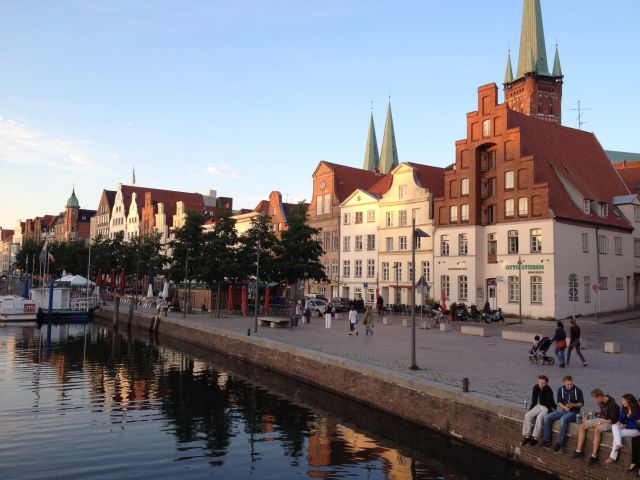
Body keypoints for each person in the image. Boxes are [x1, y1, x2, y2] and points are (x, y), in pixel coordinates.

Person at [571, 388, 620, 465]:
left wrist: (599, 422)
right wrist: (597, 413)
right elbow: (604, 411)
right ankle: (579, 450)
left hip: (610, 423)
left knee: (597, 429)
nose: (595, 401)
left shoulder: (613, 405)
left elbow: (612, 421)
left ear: (599, 396)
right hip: (602, 419)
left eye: (595, 399)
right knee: (582, 426)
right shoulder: (601, 401)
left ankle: (594, 456)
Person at [542, 375, 584, 452]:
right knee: (547, 417)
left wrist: (574, 405)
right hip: (564, 411)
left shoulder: (578, 390)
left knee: (563, 419)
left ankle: (559, 443)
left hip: (574, 413)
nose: (570, 386)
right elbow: (559, 402)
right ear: (564, 383)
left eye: (571, 384)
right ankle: (546, 440)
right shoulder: (560, 389)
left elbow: (581, 403)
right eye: (568, 384)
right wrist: (564, 407)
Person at [521, 375, 556, 446]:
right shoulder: (536, 387)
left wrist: (542, 390)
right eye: (540, 382)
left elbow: (549, 404)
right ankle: (527, 436)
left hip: (548, 407)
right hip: (540, 405)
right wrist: (531, 409)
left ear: (546, 383)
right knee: (527, 415)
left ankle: (535, 438)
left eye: (543, 383)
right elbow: (534, 400)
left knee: (539, 418)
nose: (541, 384)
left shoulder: (549, 390)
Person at [605, 394, 640, 464]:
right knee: (614, 426)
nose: (622, 402)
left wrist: (626, 425)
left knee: (617, 435)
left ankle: (612, 457)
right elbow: (620, 418)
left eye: (624, 401)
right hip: (628, 428)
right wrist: (619, 422)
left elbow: (637, 424)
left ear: (628, 401)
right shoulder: (624, 409)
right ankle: (618, 444)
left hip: (637, 430)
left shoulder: (637, 410)